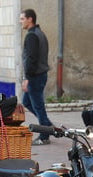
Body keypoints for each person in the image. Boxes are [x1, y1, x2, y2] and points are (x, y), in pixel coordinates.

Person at [19, 9, 53, 145]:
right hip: (39, 75)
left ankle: (45, 135)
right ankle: (48, 125)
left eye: (22, 19)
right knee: (27, 102)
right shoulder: (39, 33)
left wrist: (26, 78)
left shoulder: (32, 36)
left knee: (38, 106)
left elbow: (31, 59)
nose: (20, 22)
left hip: (35, 76)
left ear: (30, 19)